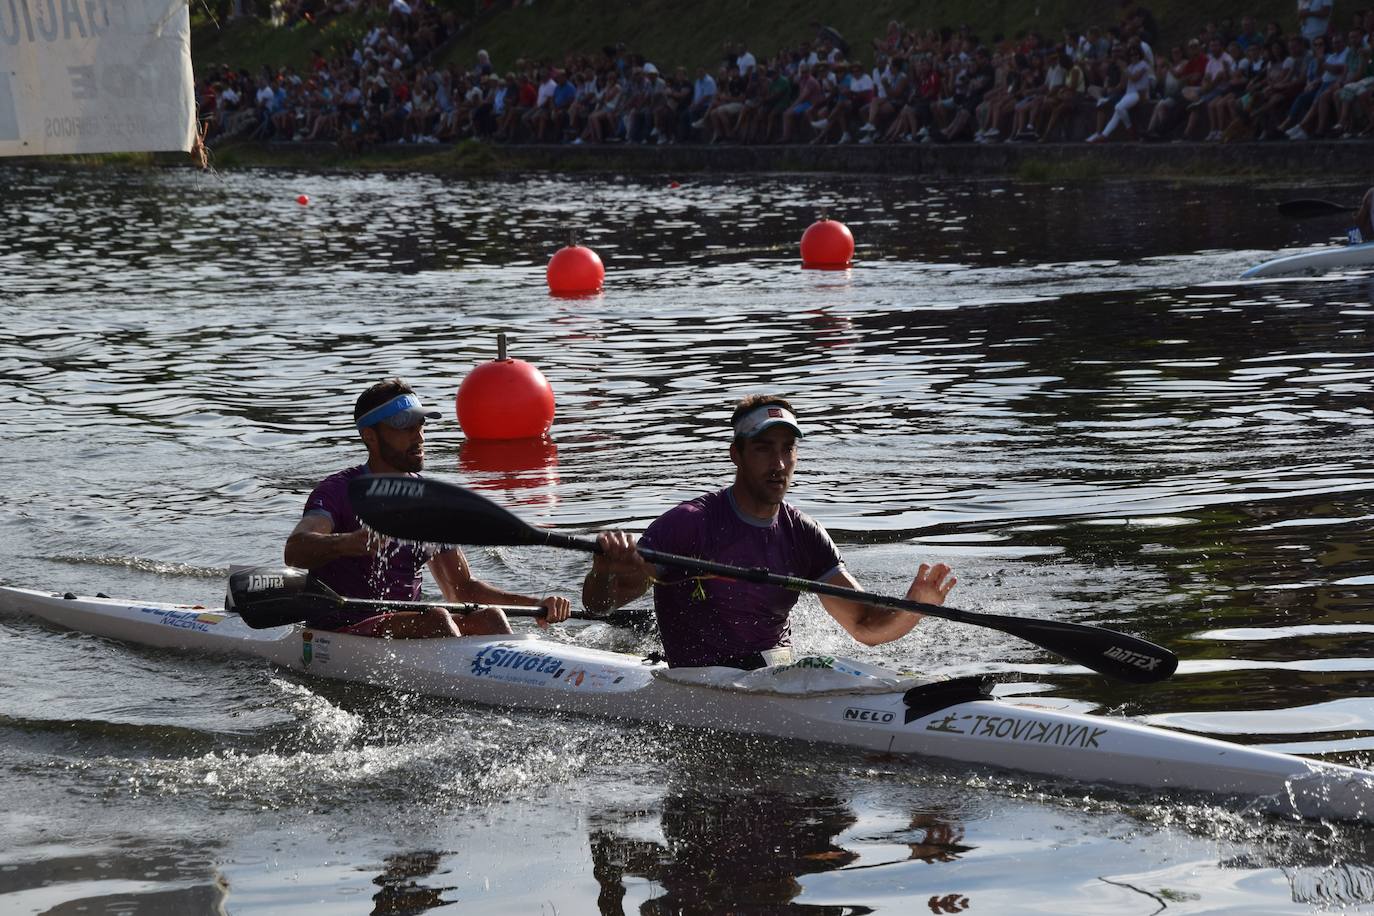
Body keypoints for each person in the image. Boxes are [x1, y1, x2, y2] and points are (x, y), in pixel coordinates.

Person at [581, 396, 956, 669]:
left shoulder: (805, 534)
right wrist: (604, 570)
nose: (778, 464)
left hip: (775, 676)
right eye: (763, 450)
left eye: (787, 449)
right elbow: (600, 605)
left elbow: (865, 626)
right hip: (700, 683)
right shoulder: (689, 523)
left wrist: (916, 606)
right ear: (737, 455)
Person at [284, 378, 571, 638]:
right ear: (370, 436)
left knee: (490, 618)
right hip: (342, 629)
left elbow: (462, 588)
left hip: (410, 626)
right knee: (437, 618)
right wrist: (349, 543)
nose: (419, 437)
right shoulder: (339, 491)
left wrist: (536, 605)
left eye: (420, 425)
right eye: (403, 427)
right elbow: (295, 550)